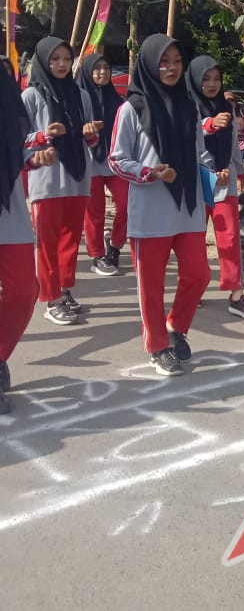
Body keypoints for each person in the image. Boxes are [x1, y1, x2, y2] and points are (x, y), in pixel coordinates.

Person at [108, 35, 212, 376]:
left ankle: (175, 326)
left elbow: (199, 152)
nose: (170, 67)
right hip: (150, 211)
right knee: (150, 286)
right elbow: (117, 159)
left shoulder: (189, 105)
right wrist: (148, 172)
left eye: (177, 61)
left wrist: (215, 170)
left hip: (189, 208)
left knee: (198, 274)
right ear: (150, 64)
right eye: (163, 61)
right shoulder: (131, 109)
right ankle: (157, 346)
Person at [21, 37, 101, 325]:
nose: (61, 64)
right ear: (43, 61)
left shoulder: (81, 96)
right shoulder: (31, 97)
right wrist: (43, 136)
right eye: (55, 59)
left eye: (66, 59)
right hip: (47, 178)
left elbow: (91, 137)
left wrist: (91, 133)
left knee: (70, 239)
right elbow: (17, 140)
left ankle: (65, 289)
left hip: (78, 176)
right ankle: (50, 297)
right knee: (47, 241)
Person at [186, 55, 244, 321]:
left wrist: (237, 171)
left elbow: (232, 142)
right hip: (197, 181)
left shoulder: (226, 107)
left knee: (229, 239)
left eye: (216, 79)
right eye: (206, 79)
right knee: (194, 240)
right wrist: (208, 126)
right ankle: (192, 289)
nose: (211, 84)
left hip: (224, 182)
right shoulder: (187, 105)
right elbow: (189, 140)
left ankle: (236, 294)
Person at [0, 63, 55, 413]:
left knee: (24, 290)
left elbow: (13, 146)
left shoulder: (5, 89)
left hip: (10, 211)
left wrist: (34, 159)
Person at [78, 54, 128, 277]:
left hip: (115, 160)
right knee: (94, 211)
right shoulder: (78, 98)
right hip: (89, 161)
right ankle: (97, 255)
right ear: (87, 72)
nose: (102, 72)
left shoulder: (118, 100)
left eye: (106, 67)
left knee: (128, 206)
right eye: (96, 68)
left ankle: (115, 246)